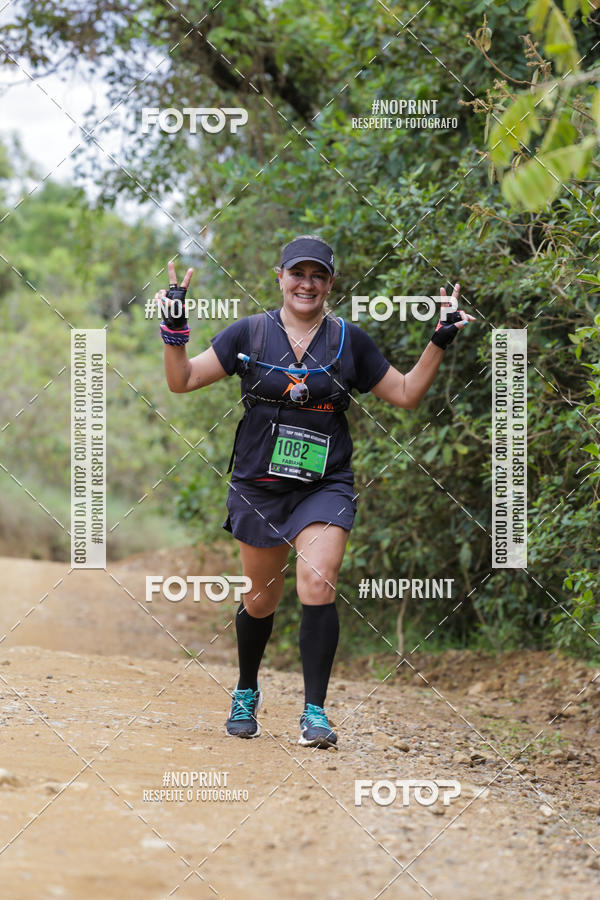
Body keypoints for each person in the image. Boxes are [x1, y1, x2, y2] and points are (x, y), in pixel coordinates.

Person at [156, 235, 474, 748]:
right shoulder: (251, 335)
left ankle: (315, 712)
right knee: (261, 600)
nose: (307, 284)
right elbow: (183, 381)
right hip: (260, 485)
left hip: (325, 484)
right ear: (279, 276)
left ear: (330, 284)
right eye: (298, 274)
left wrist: (439, 339)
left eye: (318, 276)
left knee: (318, 583)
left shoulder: (350, 341)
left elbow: (408, 394)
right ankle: (245, 689)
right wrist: (174, 331)